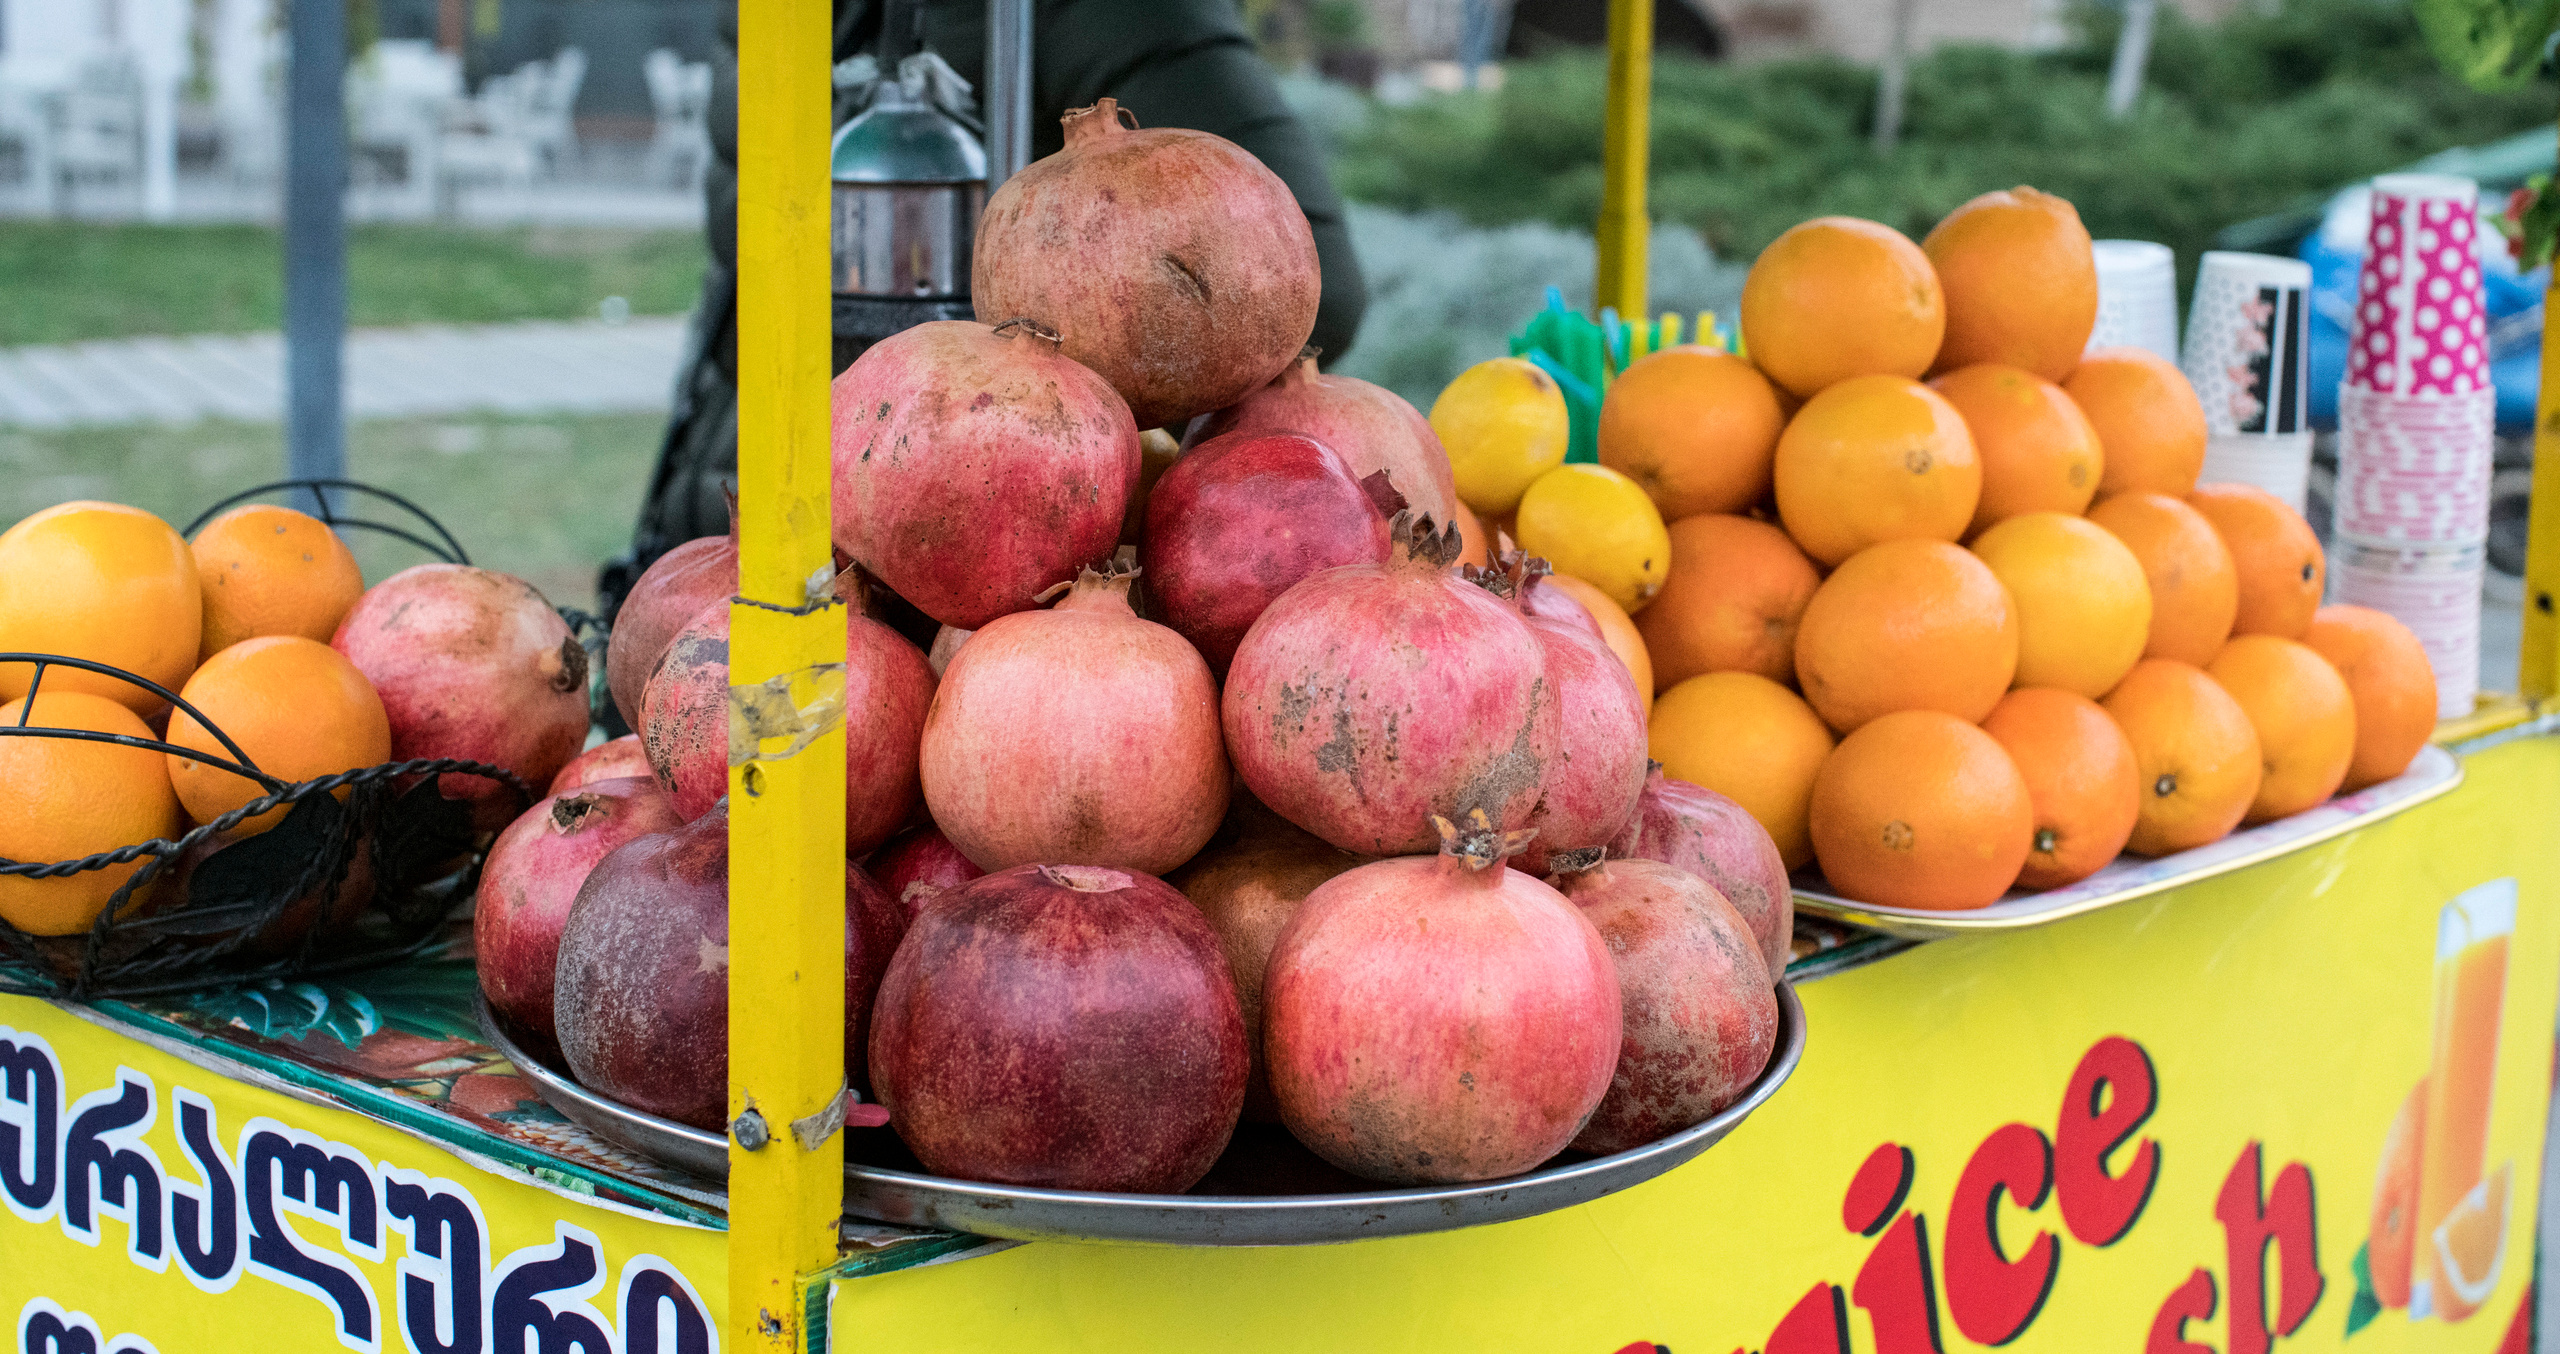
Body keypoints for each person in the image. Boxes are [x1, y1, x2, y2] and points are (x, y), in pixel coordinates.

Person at [603, 0, 1369, 620]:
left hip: (1010, 543)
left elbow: (1296, 289)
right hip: (768, 485)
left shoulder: (1118, 15)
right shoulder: (768, 15)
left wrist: (1085, 349)